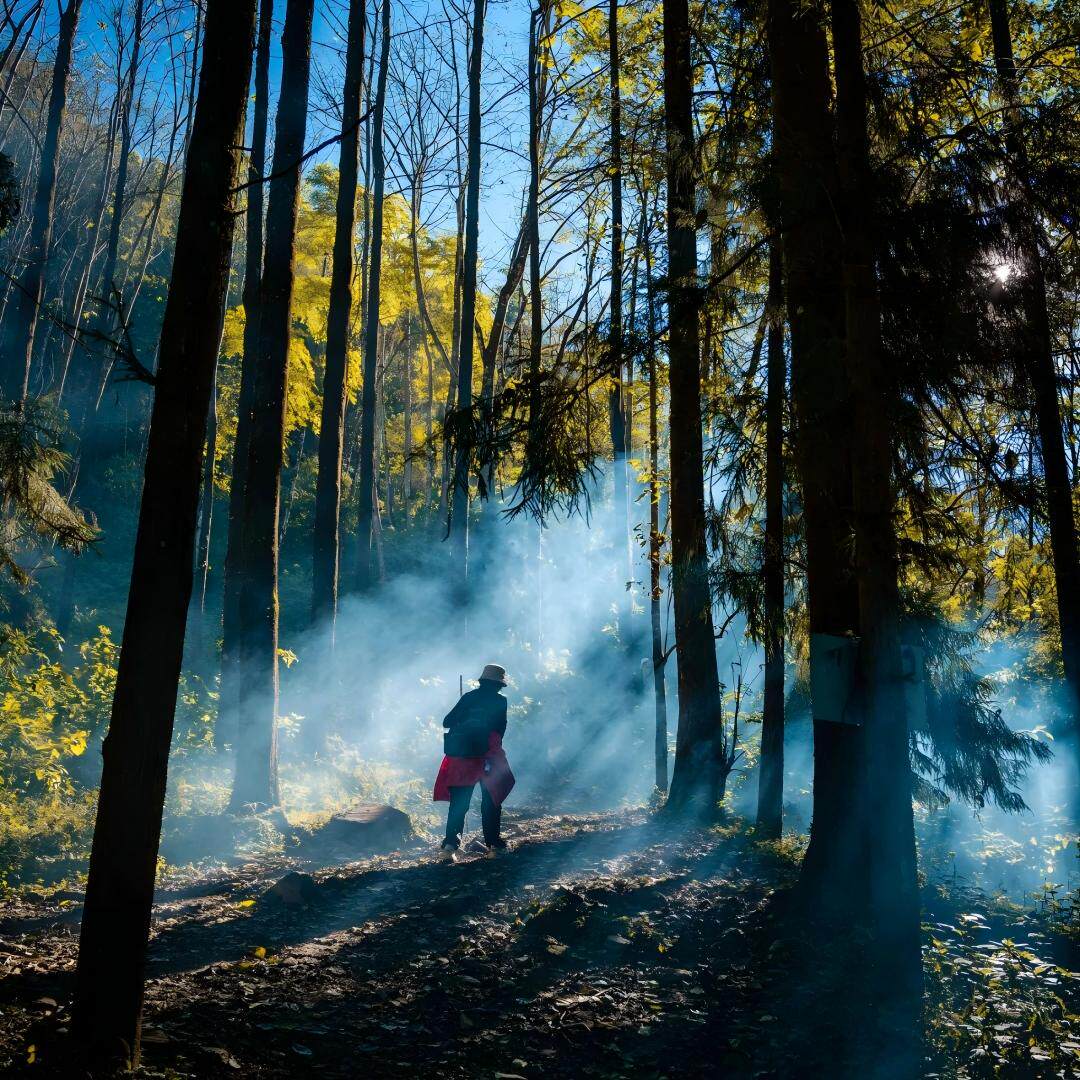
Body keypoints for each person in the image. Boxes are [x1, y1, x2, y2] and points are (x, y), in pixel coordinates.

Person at [433, 663, 515, 860]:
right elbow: (500, 731)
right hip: (489, 757)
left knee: (459, 804)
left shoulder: (468, 697)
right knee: (491, 801)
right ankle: (494, 845)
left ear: (482, 681)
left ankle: (450, 847)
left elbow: (447, 722)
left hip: (461, 758)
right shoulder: (500, 701)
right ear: (499, 685)